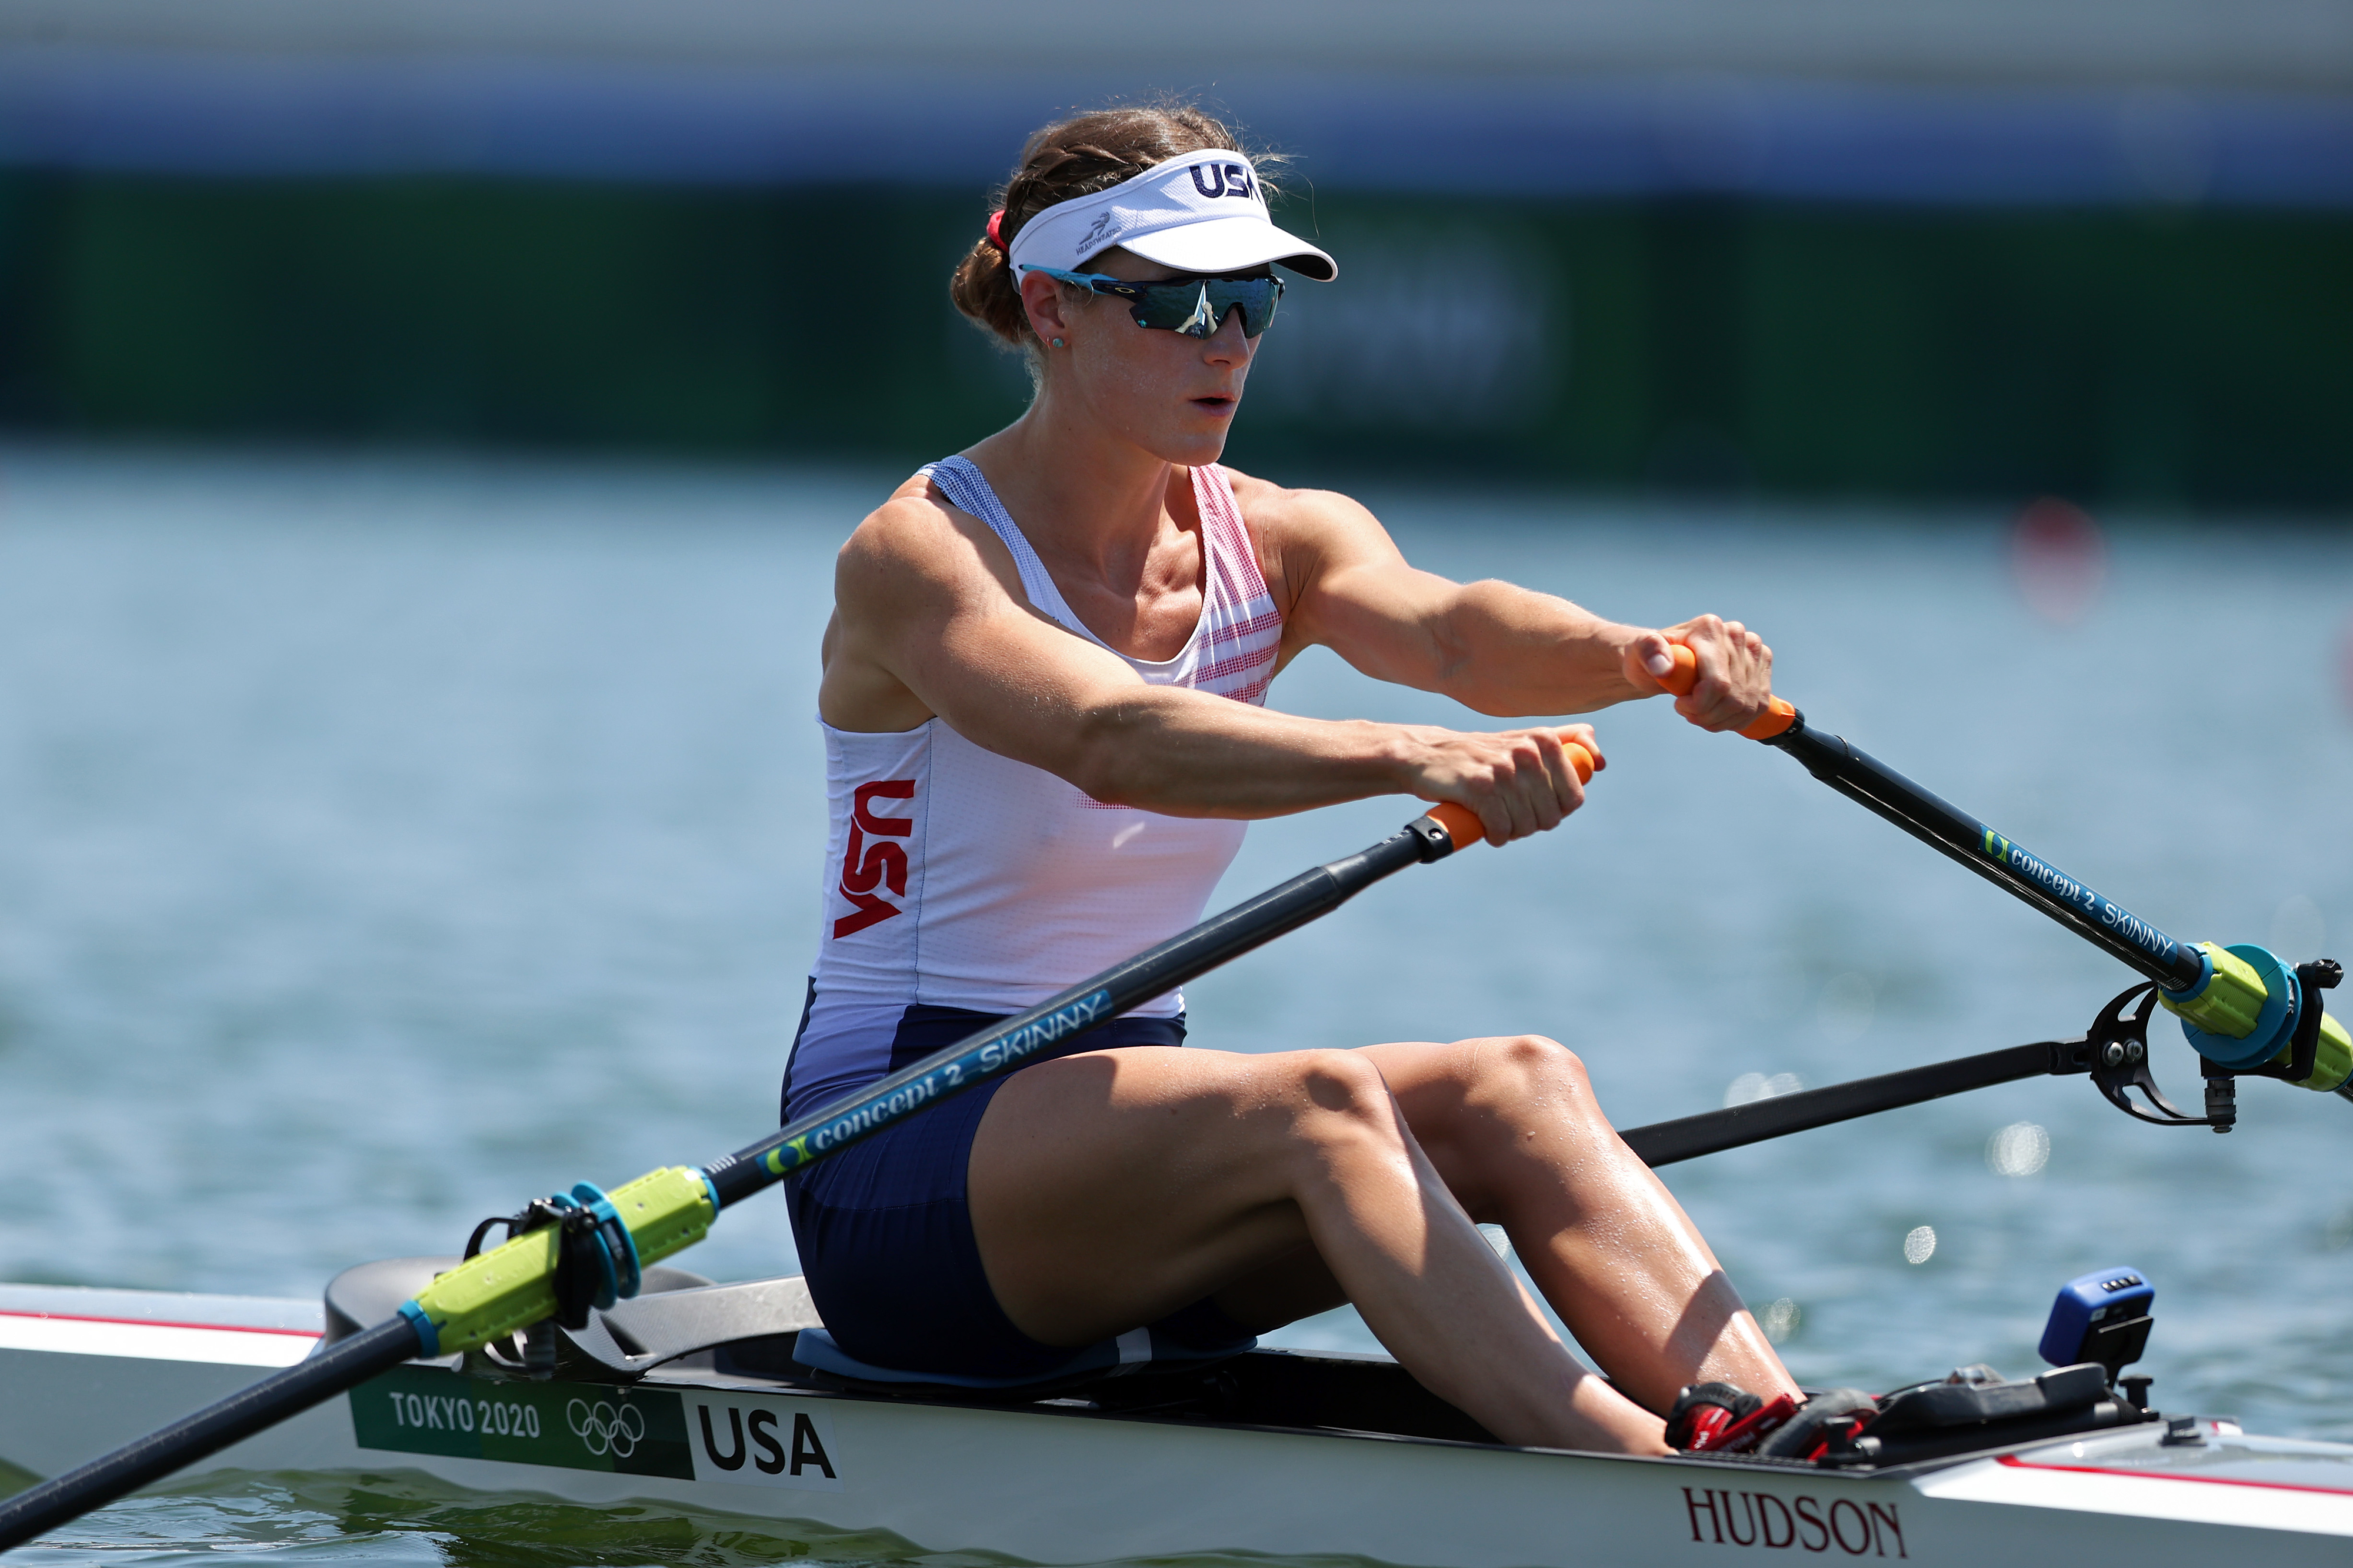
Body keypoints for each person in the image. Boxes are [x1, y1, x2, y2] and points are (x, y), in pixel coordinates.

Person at [783, 103, 1804, 1457]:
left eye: (1250, 299)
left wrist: (1649, 658)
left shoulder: (1277, 537)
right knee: (1321, 1106)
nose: (1225, 340)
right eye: (1177, 302)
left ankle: (1776, 1437)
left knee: (1520, 1079)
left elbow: (1449, 633)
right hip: (901, 1153)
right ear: (1050, 309)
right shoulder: (916, 561)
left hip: (1133, 1147)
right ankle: (1628, 1477)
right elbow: (1114, 738)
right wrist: (1412, 759)